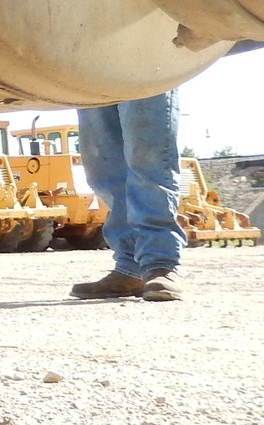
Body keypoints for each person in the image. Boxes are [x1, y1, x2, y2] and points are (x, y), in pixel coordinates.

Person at [71, 91, 184, 301]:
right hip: (92, 73)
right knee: (104, 165)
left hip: (144, 71)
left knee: (148, 158)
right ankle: (130, 267)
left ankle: (160, 264)